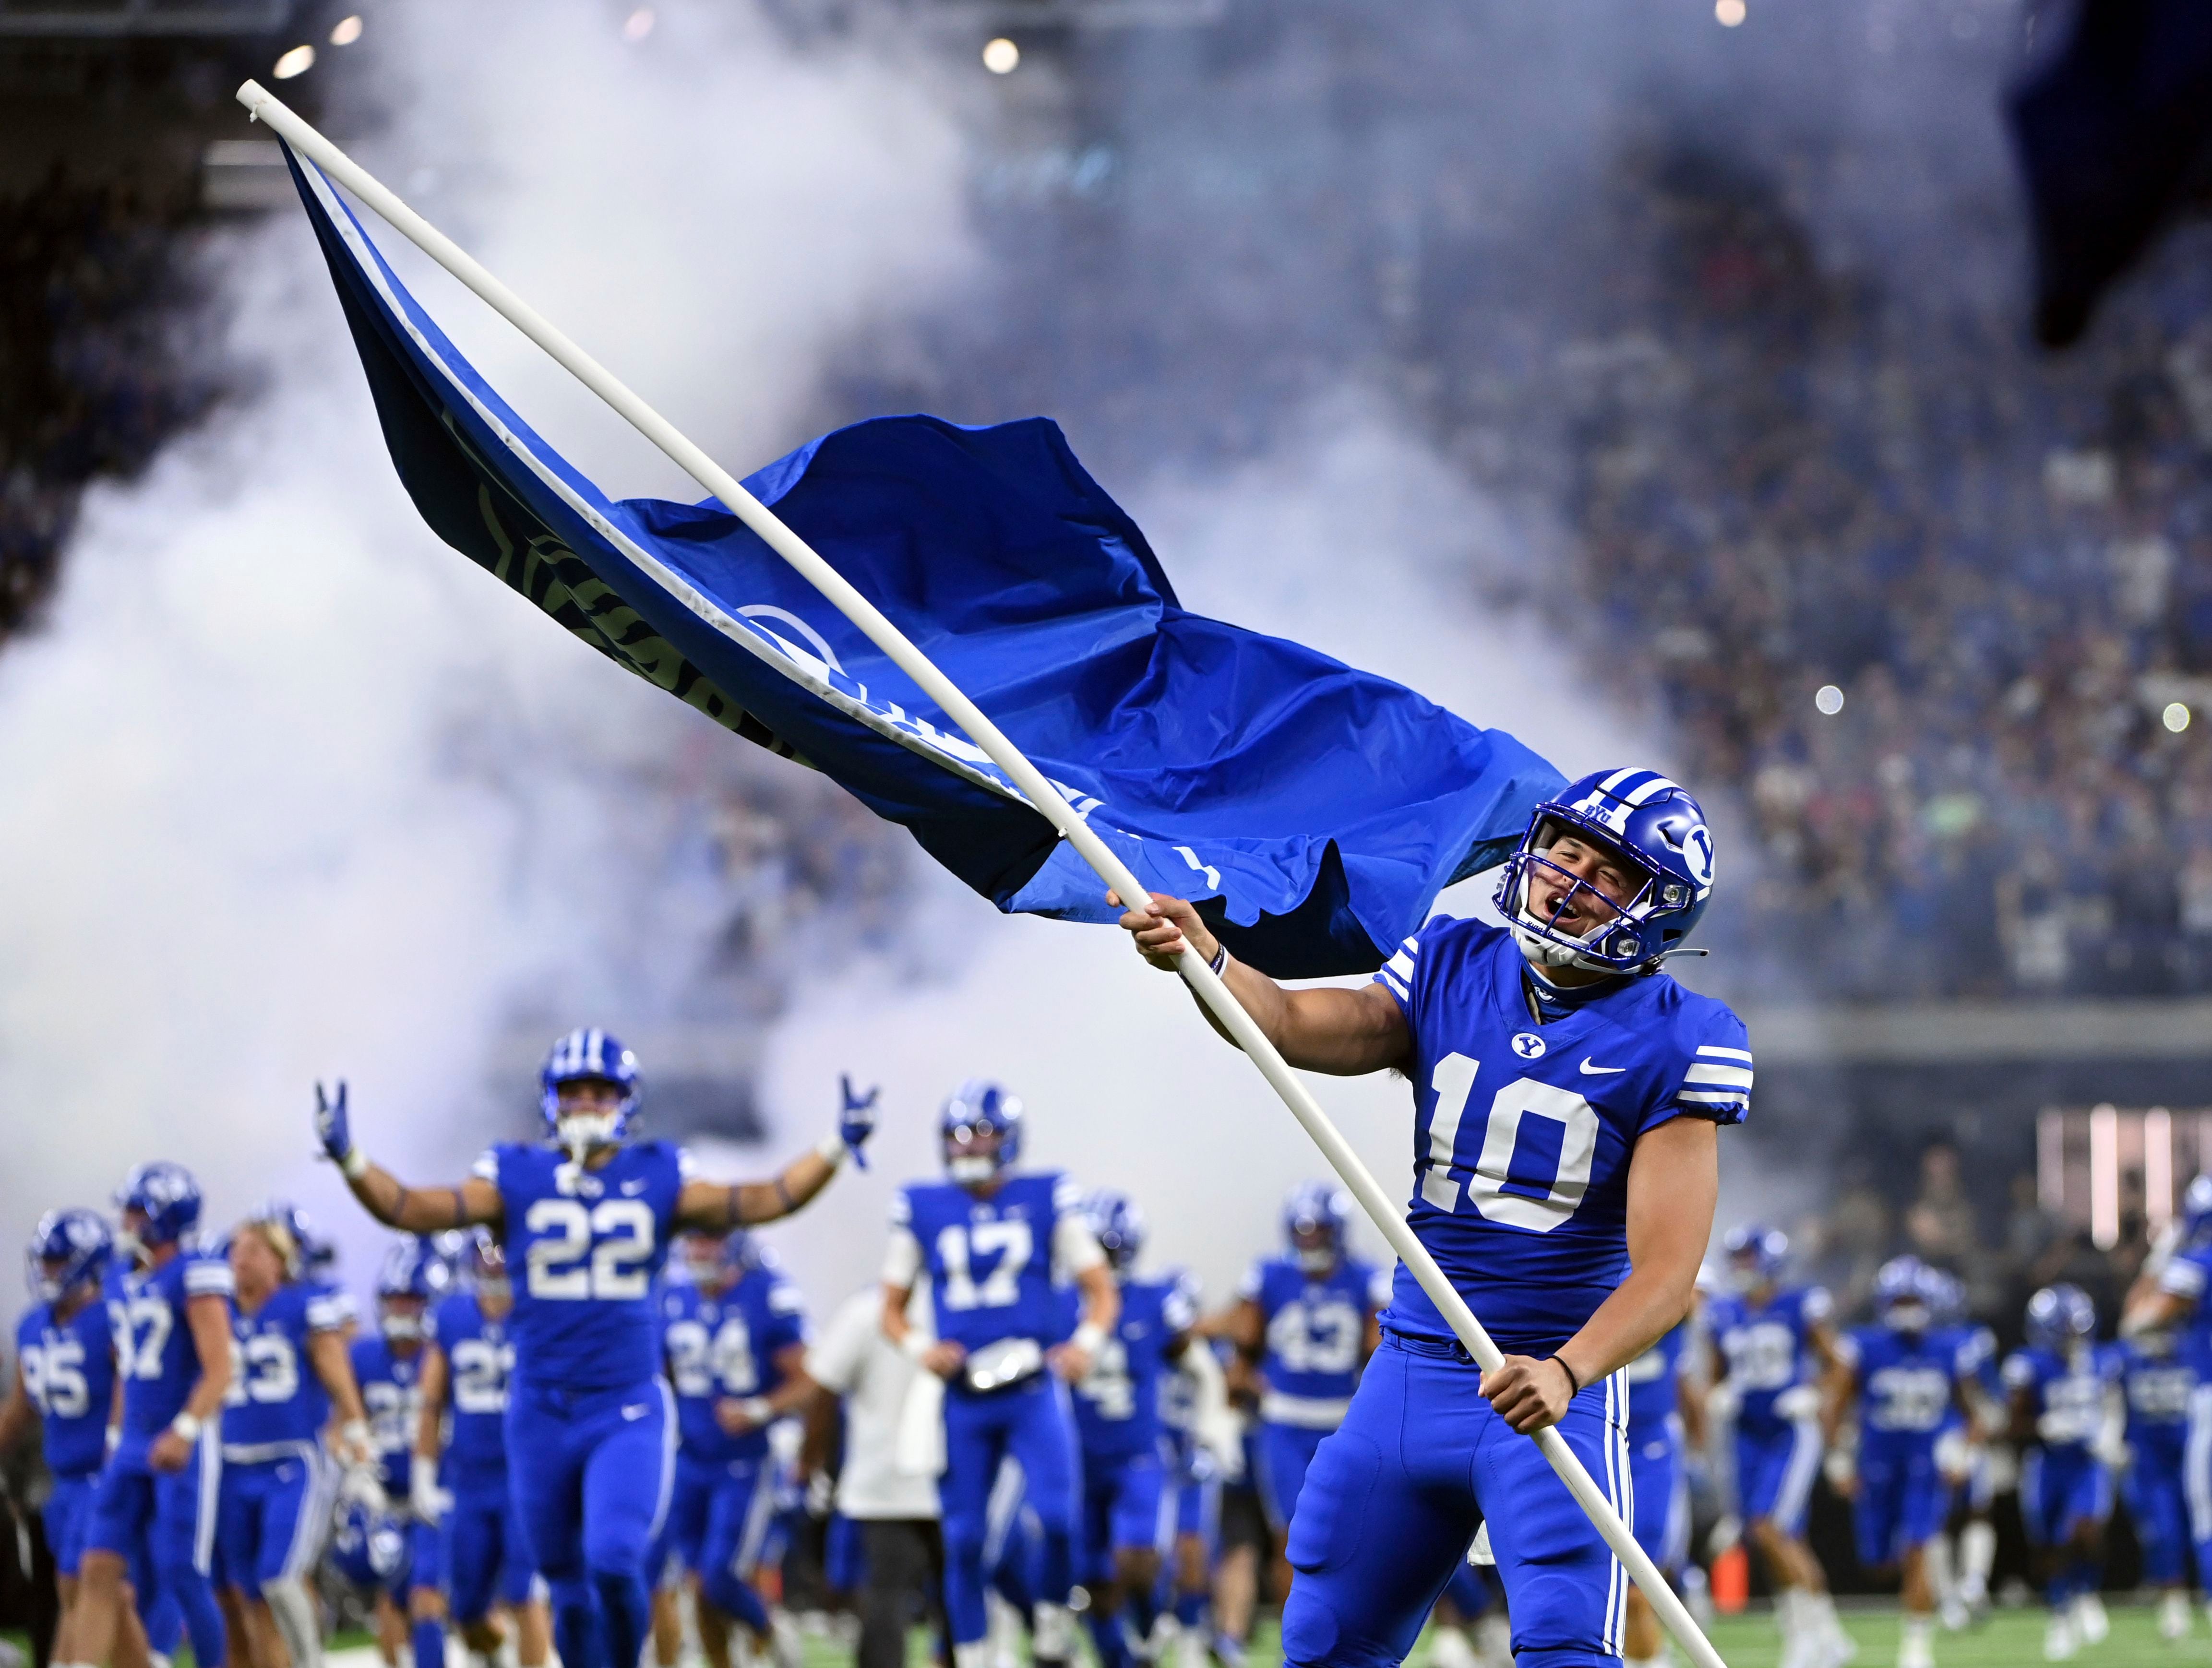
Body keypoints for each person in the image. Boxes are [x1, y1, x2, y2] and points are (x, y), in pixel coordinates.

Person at [1113, 766, 1742, 1667]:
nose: (1567, 879)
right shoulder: (1451, 959)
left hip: (1546, 1391)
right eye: (1563, 852)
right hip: (1410, 1374)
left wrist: (1566, 1371)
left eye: (1604, 874)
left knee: (1568, 1648)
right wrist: (1206, 961)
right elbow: (1291, 1022)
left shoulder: (1682, 1035)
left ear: (1658, 909)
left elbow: (1665, 1274)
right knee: (1325, 1641)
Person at [314, 1028, 875, 1668]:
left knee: (614, 1559)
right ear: (551, 1100)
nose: (585, 1104)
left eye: (599, 1091)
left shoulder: (659, 1172)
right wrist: (351, 1158)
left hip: (625, 1406)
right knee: (566, 1584)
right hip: (541, 1411)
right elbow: (411, 1208)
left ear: (625, 1100)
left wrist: (834, 1147)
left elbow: (764, 1198)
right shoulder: (516, 1174)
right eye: (572, 1092)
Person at [879, 1078, 1118, 1668]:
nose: (966, 1145)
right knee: (962, 1540)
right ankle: (972, 1653)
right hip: (963, 1394)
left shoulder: (1046, 1195)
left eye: (980, 1132)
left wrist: (1083, 1344)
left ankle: (1055, 1619)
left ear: (1009, 1138)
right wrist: (919, 1348)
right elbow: (891, 1308)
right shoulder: (921, 1206)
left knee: (1059, 1521)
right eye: (957, 1135)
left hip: (1033, 1386)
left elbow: (1100, 1291)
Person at [73, 1163, 236, 1668]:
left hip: (181, 1442)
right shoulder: (121, 1277)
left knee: (182, 1572)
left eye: (136, 1210)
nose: (124, 1219)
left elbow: (220, 1368)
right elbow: (128, 1367)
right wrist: (117, 1432)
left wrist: (185, 1430)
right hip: (133, 1442)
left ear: (164, 1217)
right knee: (98, 1565)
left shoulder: (194, 1272)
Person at [1218, 1181, 1386, 1616]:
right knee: (1291, 1534)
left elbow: (1378, 1351)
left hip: (1343, 1419)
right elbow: (1243, 1340)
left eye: (1317, 1232)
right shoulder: (1269, 1275)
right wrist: (1237, 1384)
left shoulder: (1366, 1279)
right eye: (1303, 1232)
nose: (1309, 1241)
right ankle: (1300, 1635)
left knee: (1359, 1529)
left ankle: (1352, 1624)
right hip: (1285, 1420)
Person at [218, 1203, 372, 1668]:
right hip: (231, 1461)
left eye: (254, 1249)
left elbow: (334, 1366)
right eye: (237, 1248)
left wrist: (355, 1427)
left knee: (280, 1578)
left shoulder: (304, 1304)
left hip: (292, 1460)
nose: (241, 1257)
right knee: (251, 1596)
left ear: (279, 1261)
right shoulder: (215, 1309)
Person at [1066, 1190, 1213, 1668]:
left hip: (1137, 1455)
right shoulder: (1060, 1302)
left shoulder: (1152, 1301)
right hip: (1078, 1457)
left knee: (1139, 1559)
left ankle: (1153, 1624)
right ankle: (1121, 1657)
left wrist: (1209, 1430)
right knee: (1092, 1576)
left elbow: (1202, 1369)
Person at [657, 1228, 814, 1668]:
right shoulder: (673, 1296)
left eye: (709, 1240)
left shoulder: (766, 1294)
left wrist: (761, 1409)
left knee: (719, 1577)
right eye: (694, 1240)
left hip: (745, 1462)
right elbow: (660, 1372)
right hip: (690, 1459)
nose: (699, 1250)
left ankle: (769, 1631)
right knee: (695, 1581)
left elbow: (809, 1379)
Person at [1705, 1223, 1851, 1668]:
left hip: (1789, 1430)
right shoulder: (1725, 1312)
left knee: (1771, 1528)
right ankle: (1814, 1629)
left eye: (1749, 1258)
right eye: (1738, 1260)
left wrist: (1815, 1396)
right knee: (1767, 1534)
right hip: (1747, 1432)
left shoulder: (1798, 1304)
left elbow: (1839, 1366)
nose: (1742, 1268)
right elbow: (1717, 1373)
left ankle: (1815, 1634)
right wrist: (1721, 1393)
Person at [1828, 1258, 1979, 1668]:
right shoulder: (1865, 1346)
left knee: (1919, 1546)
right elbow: (1836, 1408)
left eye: (1914, 1299)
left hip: (1924, 1466)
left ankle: (1916, 1650)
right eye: (1900, 1300)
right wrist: (1839, 1459)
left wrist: (1961, 1449)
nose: (1908, 1307)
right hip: (1876, 1466)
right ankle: (1927, 1607)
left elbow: (1973, 1415)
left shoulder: (1949, 1348)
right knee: (1878, 1564)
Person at [413, 1230, 550, 1668]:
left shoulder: (539, 1314)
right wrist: (422, 1473)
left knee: (523, 1592)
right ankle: (496, 1657)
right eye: (488, 1257)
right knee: (467, 1607)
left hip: (524, 1477)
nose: (495, 1266)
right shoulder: (452, 1315)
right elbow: (431, 1400)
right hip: (469, 1479)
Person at [802, 1281, 945, 1668]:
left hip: (887, 1478)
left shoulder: (864, 1312)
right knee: (952, 1598)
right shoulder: (958, 1307)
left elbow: (823, 1388)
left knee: (886, 1597)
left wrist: (809, 1457)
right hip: (948, 1475)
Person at [0, 1210, 119, 1668]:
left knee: (98, 1585)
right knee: (71, 1591)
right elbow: (21, 1408)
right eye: (45, 1261)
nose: (48, 1271)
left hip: (107, 1472)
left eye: (57, 1261)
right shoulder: (33, 1325)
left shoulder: (112, 1318)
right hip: (63, 1481)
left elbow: (137, 1390)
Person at [353, 1237, 453, 1668]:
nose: (400, 1312)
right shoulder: (363, 1356)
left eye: (411, 1301)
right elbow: (342, 1420)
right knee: (389, 1594)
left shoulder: (443, 1355)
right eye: (394, 1300)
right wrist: (355, 1466)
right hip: (385, 1494)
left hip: (437, 1493)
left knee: (426, 1592)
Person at [2005, 1283, 2115, 1662]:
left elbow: (2117, 1401)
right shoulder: (2029, 1365)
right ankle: (2059, 1613)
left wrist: (2110, 1433)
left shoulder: (2101, 1360)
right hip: (2046, 1465)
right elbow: (2012, 1425)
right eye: (2064, 1330)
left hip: (2086, 1463)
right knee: (2049, 1546)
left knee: (2085, 1530)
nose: (2072, 1338)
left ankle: (2085, 1592)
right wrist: (2043, 1427)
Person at [1620, 1310, 1705, 1668]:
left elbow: (1688, 1294)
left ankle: (1685, 1581)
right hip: (1603, 1443)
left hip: (1651, 1449)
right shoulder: (1591, 1312)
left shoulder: (1666, 1319)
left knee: (1637, 1581)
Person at [2099, 1321, 2195, 1638]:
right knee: (2163, 1534)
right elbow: (2108, 1399)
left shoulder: (2195, 1349)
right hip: (2149, 1462)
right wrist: (2112, 1435)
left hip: (2191, 1455)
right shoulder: (2124, 1357)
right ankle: (2174, 1602)